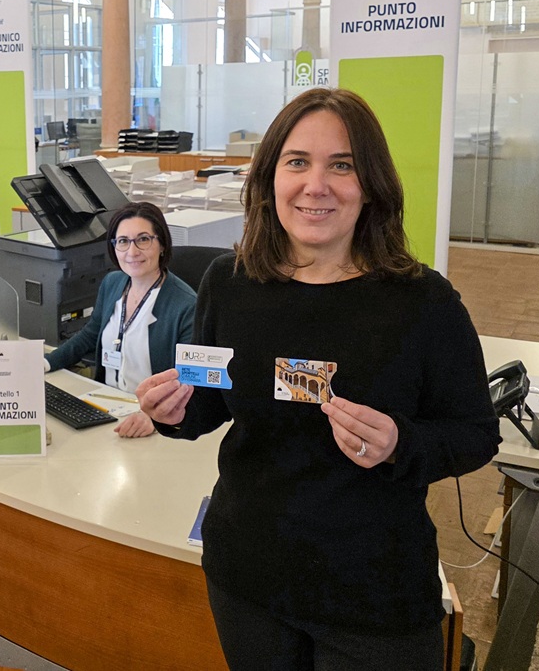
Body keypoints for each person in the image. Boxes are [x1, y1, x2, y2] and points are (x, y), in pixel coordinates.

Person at [136, 88, 501, 670]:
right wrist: (172, 413)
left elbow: (476, 434)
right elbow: (211, 403)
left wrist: (400, 443)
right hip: (247, 576)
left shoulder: (422, 302)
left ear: (371, 184)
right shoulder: (229, 282)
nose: (316, 185)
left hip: (372, 593)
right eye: (297, 162)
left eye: (342, 165)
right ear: (269, 178)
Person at [45, 202, 196, 438]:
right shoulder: (113, 283)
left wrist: (154, 416)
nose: (132, 252)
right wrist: (46, 363)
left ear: (162, 244)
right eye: (123, 241)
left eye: (143, 239)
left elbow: (189, 377)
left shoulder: (186, 305)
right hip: (106, 405)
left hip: (150, 417)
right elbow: (90, 334)